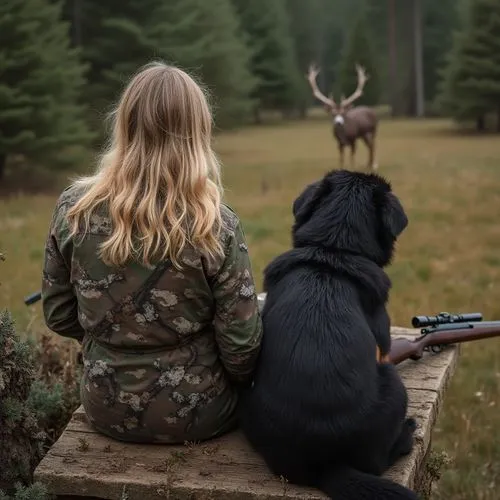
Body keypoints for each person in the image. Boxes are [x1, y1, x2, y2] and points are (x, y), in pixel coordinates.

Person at [41, 62, 263, 444]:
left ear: (124, 125)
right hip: (201, 414)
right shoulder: (216, 223)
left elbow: (59, 314)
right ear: (197, 132)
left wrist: (114, 342)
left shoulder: (73, 210)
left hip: (104, 408)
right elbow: (242, 348)